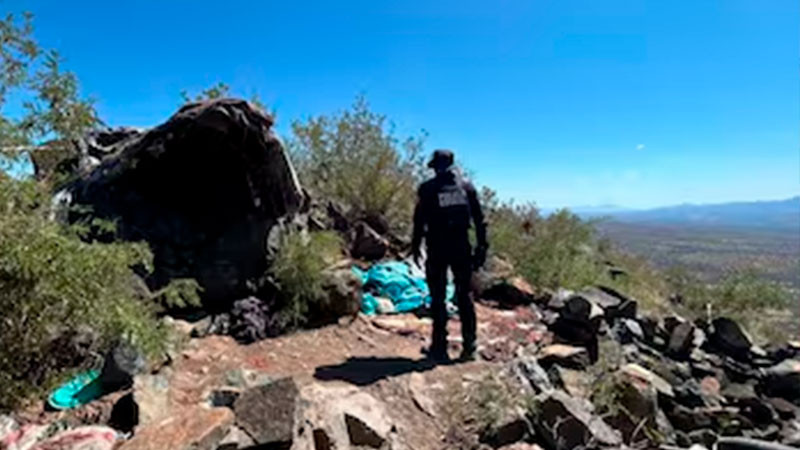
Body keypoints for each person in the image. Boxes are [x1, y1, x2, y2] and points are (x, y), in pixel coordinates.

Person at [411, 149, 488, 362]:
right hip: (461, 247)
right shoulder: (466, 188)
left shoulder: (427, 189)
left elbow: (419, 220)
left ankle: (439, 347)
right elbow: (480, 221)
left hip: (437, 248)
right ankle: (469, 346)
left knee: (438, 298)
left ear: (435, 166)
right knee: (464, 296)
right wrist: (482, 247)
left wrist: (416, 245)